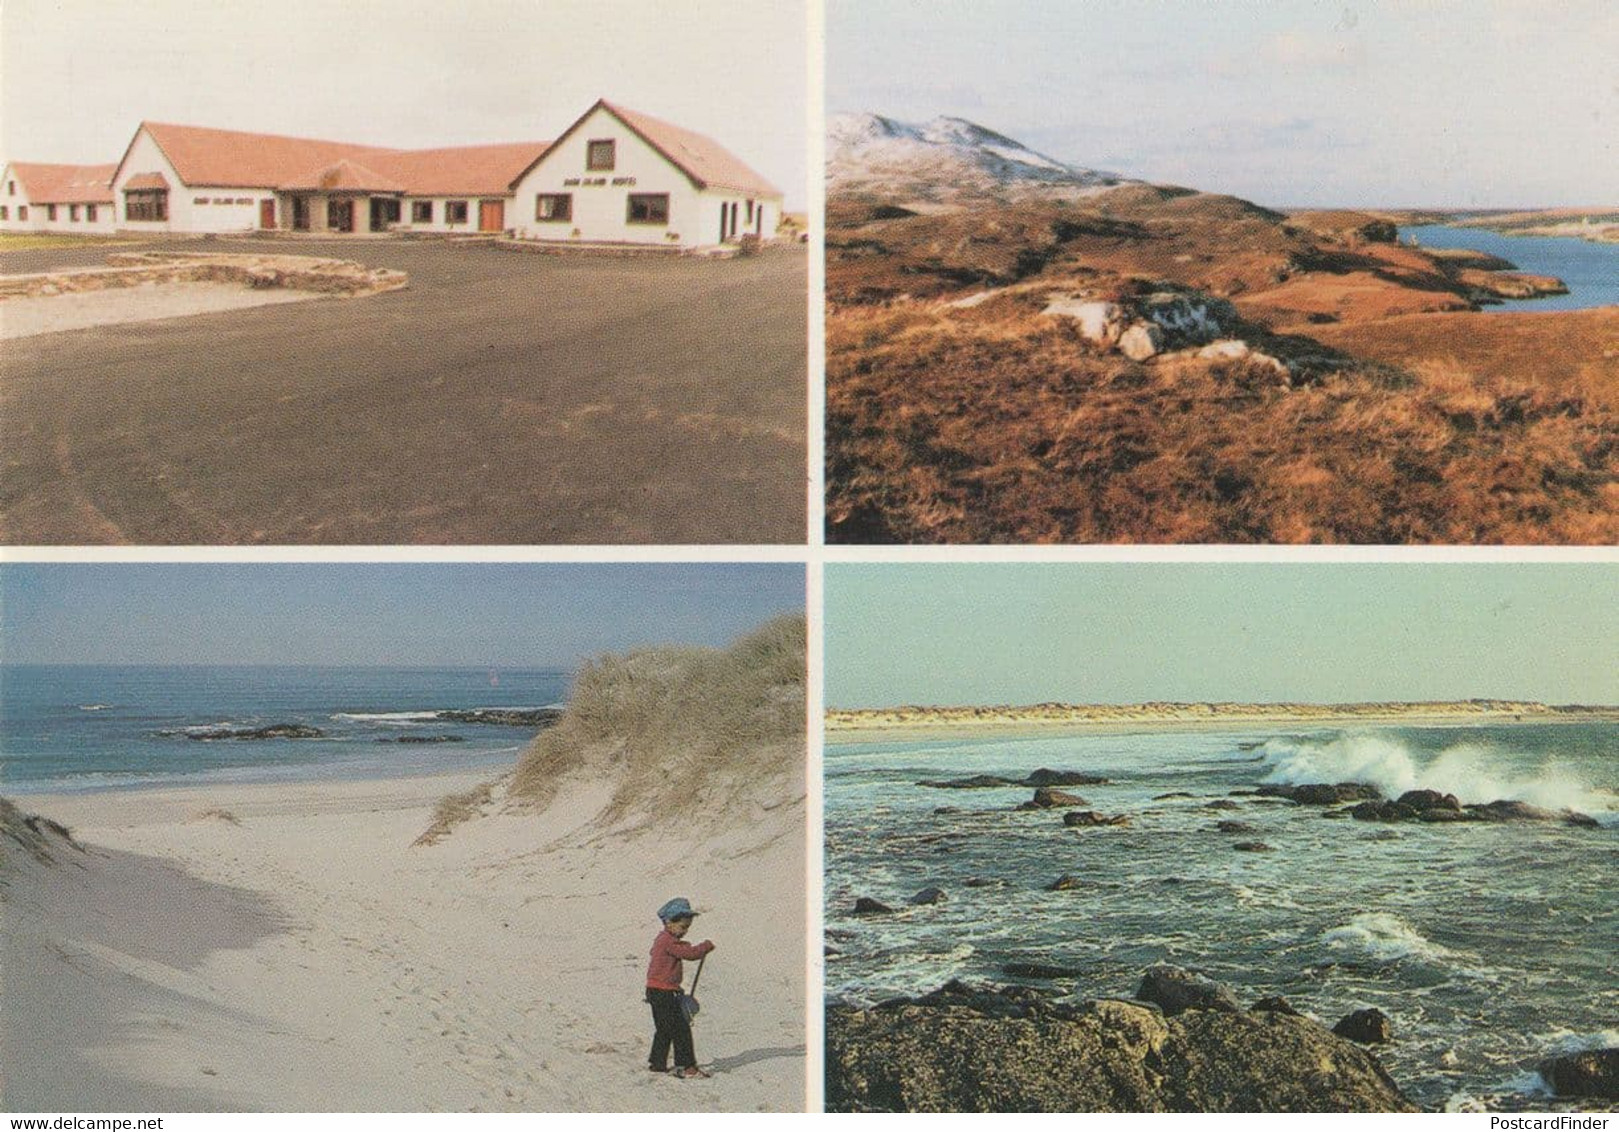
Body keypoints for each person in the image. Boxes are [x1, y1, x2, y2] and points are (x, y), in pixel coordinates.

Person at [645, 897, 715, 1078]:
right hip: (664, 992)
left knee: (664, 1028)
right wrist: (704, 947)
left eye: (687, 928)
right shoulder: (668, 941)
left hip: (657, 990)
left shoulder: (662, 939)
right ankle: (687, 1066)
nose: (685, 931)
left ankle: (657, 1063)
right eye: (683, 927)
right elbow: (689, 953)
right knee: (680, 1029)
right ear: (669, 922)